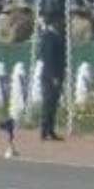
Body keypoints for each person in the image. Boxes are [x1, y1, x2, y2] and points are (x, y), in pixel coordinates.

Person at [38, 12, 66, 141]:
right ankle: (45, 130)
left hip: (55, 73)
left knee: (53, 103)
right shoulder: (49, 37)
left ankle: (50, 129)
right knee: (48, 102)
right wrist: (54, 76)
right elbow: (49, 58)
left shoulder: (54, 36)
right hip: (51, 74)